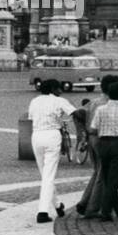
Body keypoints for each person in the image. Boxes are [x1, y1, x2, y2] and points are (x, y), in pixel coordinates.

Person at [28, 79, 76, 223]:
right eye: (59, 88)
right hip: (52, 135)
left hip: (36, 136)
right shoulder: (58, 100)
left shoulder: (34, 101)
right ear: (53, 89)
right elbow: (75, 113)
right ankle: (42, 212)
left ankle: (57, 205)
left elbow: (31, 118)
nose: (61, 91)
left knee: (45, 174)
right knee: (48, 176)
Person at [88, 80, 118, 222]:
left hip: (103, 144)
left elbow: (93, 128)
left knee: (106, 175)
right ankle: (106, 211)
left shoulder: (100, 110)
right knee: (115, 180)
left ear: (108, 94)